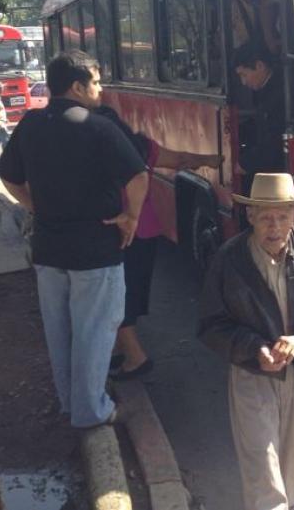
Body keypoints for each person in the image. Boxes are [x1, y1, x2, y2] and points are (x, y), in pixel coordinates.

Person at [0, 50, 149, 428]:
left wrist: (35, 207)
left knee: (60, 333)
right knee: (95, 332)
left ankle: (70, 403)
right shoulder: (98, 126)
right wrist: (130, 217)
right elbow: (139, 175)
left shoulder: (30, 124)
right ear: (77, 86)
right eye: (95, 82)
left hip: (49, 247)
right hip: (96, 247)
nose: (99, 89)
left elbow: (8, 176)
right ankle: (91, 411)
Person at [198, 172, 294, 510]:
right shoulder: (230, 260)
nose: (274, 225)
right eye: (265, 216)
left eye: (282, 216)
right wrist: (255, 348)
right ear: (250, 216)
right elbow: (211, 325)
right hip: (253, 376)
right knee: (262, 467)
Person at [93, 104, 222, 380]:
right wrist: (212, 159)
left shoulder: (97, 152)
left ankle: (135, 357)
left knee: (116, 295)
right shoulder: (141, 146)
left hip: (118, 233)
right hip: (147, 231)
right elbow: (179, 159)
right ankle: (119, 349)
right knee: (132, 292)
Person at [234, 42, 285, 197]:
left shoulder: (278, 95)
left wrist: (244, 163)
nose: (243, 82)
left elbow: (273, 143)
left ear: (260, 66)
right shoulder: (268, 88)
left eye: (244, 74)